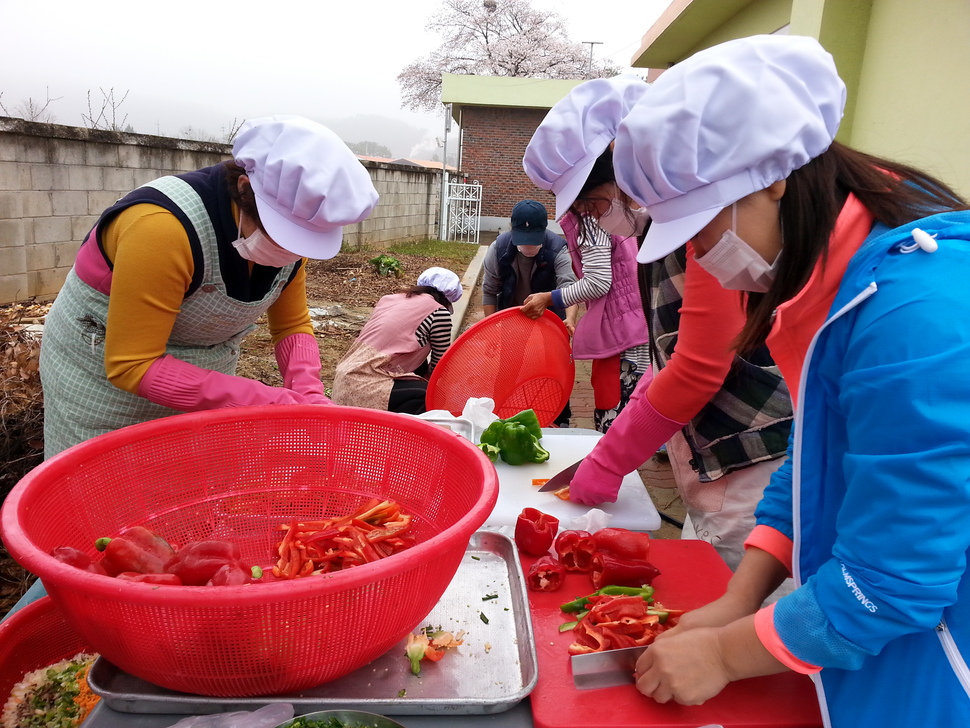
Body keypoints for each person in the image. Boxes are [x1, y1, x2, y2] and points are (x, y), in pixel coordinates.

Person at [612, 35, 970, 725]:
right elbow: (812, 465)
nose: (706, 260)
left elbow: (889, 585)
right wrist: (740, 597)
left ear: (773, 178)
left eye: (705, 228)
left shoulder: (916, 315)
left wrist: (724, 656)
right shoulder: (838, 289)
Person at [522, 75, 794, 574]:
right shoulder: (660, 235)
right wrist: (616, 442)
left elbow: (696, 368)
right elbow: (668, 355)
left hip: (749, 450)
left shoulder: (706, 222)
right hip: (711, 458)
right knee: (702, 580)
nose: (595, 219)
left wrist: (610, 460)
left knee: (741, 606)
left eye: (594, 204)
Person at [39, 115, 379, 458]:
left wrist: (308, 391)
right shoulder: (161, 229)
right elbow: (132, 364)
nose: (291, 253)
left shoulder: (287, 234)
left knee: (194, 479)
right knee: (106, 481)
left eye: (303, 242)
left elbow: (291, 323)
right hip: (102, 379)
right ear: (245, 188)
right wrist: (267, 399)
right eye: (284, 235)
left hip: (205, 382)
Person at [521, 76, 652, 434]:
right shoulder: (616, 212)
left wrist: (552, 297)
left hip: (624, 331)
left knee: (620, 416)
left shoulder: (594, 219)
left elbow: (598, 280)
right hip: (634, 323)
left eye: (587, 198)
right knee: (633, 408)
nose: (585, 208)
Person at [481, 198, 578, 426]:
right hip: (511, 318)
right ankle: (502, 414)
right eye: (522, 241)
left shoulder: (558, 250)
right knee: (508, 368)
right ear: (512, 231)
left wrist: (570, 319)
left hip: (550, 319)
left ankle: (559, 418)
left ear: (543, 232)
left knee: (554, 367)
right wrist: (492, 328)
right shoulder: (499, 249)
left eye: (532, 241)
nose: (527, 247)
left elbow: (570, 288)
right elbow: (489, 291)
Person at [331, 267, 463, 414]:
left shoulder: (389, 300)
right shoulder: (439, 313)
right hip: (367, 384)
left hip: (345, 377)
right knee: (426, 395)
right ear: (449, 298)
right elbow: (439, 367)